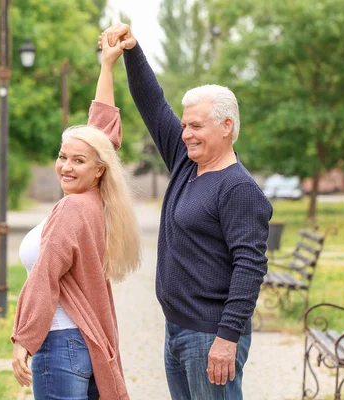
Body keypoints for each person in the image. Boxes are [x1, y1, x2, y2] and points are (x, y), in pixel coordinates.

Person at [101, 24, 273, 399]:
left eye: (196, 126)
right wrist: (133, 50)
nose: (186, 134)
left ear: (226, 127)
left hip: (210, 335)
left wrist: (227, 338)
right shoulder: (185, 160)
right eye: (184, 125)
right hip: (177, 328)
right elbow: (152, 103)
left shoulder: (239, 188)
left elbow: (250, 266)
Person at [11, 33, 140, 400]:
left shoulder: (72, 208)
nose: (65, 166)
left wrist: (25, 337)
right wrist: (106, 66)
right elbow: (102, 137)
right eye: (62, 156)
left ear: (98, 169)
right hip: (83, 342)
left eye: (77, 161)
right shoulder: (97, 199)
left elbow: (47, 274)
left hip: (59, 343)